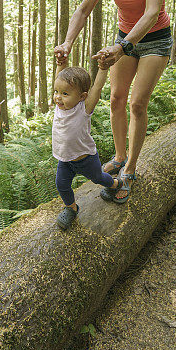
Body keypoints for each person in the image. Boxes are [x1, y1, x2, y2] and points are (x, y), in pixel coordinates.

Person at [54, 0, 172, 203]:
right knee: (116, 99)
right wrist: (68, 42)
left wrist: (122, 47)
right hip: (125, 38)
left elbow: (151, 12)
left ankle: (130, 168)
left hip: (155, 39)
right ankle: (119, 157)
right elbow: (83, 10)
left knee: (136, 103)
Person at [52, 63, 123, 230]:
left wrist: (103, 68)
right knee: (61, 184)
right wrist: (60, 63)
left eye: (65, 94)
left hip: (86, 159)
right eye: (56, 92)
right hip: (65, 160)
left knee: (98, 178)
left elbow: (97, 87)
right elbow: (58, 80)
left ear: (82, 96)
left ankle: (114, 184)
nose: (58, 97)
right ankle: (71, 208)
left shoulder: (83, 109)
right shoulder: (59, 107)